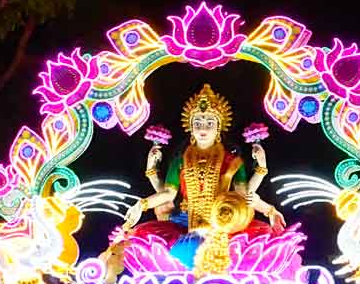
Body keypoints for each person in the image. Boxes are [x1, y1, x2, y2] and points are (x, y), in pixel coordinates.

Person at [120, 84, 284, 273]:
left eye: (209, 123)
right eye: (197, 123)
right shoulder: (180, 160)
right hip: (187, 221)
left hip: (223, 220)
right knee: (161, 248)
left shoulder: (232, 160)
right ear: (190, 128)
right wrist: (141, 205)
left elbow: (244, 195)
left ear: (219, 128)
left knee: (243, 251)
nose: (203, 129)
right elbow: (167, 194)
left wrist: (269, 206)